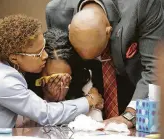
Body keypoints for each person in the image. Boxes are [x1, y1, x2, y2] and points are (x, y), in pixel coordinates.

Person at [0, 14, 101, 129]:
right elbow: (47, 114)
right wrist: (89, 100)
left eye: (43, 47)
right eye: (38, 53)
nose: (45, 56)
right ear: (14, 57)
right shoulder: (3, 80)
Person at [46, 0, 164, 128]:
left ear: (109, 31)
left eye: (98, 54)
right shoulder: (55, 13)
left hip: (136, 89)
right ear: (70, 29)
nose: (98, 59)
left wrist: (130, 115)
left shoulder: (142, 4)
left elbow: (155, 68)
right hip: (89, 102)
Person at [21, 28, 104, 127]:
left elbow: (95, 124)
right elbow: (25, 128)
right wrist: (49, 100)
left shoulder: (83, 78)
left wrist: (63, 100)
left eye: (66, 78)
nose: (60, 84)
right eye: (53, 79)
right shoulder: (23, 84)